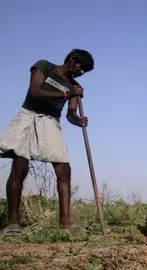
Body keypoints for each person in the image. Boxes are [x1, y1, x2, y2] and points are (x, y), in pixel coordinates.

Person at [0, 49, 95, 236]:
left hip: (51, 122)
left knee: (63, 169)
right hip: (29, 116)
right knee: (20, 166)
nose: (81, 72)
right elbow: (34, 92)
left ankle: (66, 223)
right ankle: (12, 224)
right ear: (72, 60)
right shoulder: (44, 66)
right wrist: (66, 94)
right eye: (81, 67)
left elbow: (70, 114)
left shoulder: (73, 86)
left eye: (85, 71)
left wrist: (78, 120)